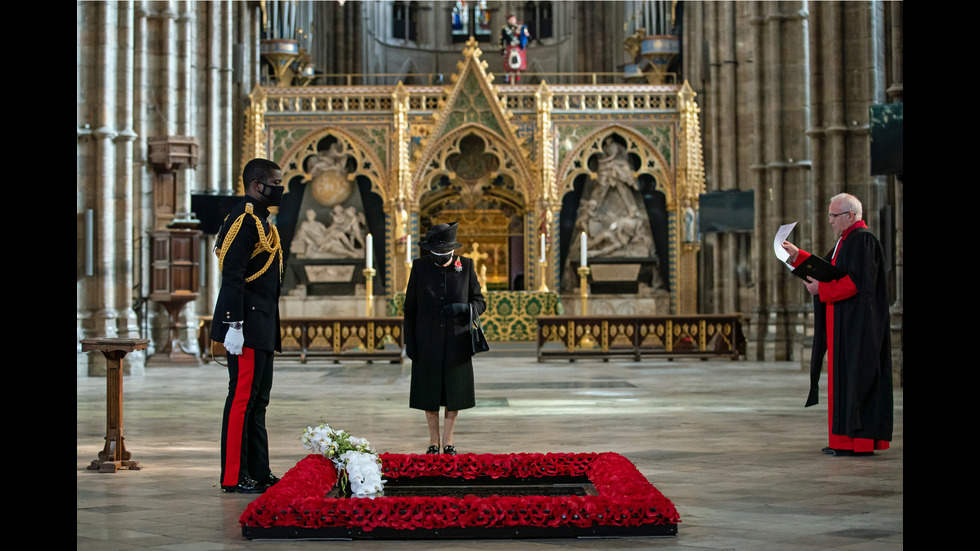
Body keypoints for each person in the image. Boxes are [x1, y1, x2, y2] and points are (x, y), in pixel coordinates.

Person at [782, 193, 893, 456]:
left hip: (860, 326)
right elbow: (827, 269)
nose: (830, 221)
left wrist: (823, 289)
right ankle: (842, 440)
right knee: (844, 380)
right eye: (830, 215)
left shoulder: (863, 240)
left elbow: (857, 283)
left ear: (850, 216)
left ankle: (860, 443)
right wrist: (797, 256)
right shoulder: (846, 241)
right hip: (844, 322)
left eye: (834, 216)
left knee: (858, 380)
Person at [211, 158, 285, 492]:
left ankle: (258, 469)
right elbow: (233, 275)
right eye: (276, 183)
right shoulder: (243, 221)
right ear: (258, 186)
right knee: (242, 399)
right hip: (246, 325)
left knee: (259, 401)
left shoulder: (263, 223)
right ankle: (235, 476)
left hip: (262, 324)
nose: (280, 190)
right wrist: (234, 325)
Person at [404, 222, 486, 455]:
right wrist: (409, 341)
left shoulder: (467, 266)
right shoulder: (419, 267)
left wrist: (464, 308)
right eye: (436, 253)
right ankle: (433, 441)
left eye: (444, 253)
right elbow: (410, 308)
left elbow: (480, 302)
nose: (441, 257)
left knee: (454, 392)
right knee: (428, 392)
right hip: (426, 340)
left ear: (452, 250)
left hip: (456, 341)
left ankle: (448, 442)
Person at [500, 13, 530, 84]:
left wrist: (526, 34)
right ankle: (509, 79)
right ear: (508, 21)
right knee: (509, 67)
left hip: (518, 48)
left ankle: (518, 79)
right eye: (510, 19)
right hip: (509, 48)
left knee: (518, 66)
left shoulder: (521, 27)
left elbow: (526, 36)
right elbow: (502, 40)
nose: (512, 20)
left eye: (513, 19)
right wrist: (501, 48)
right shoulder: (505, 29)